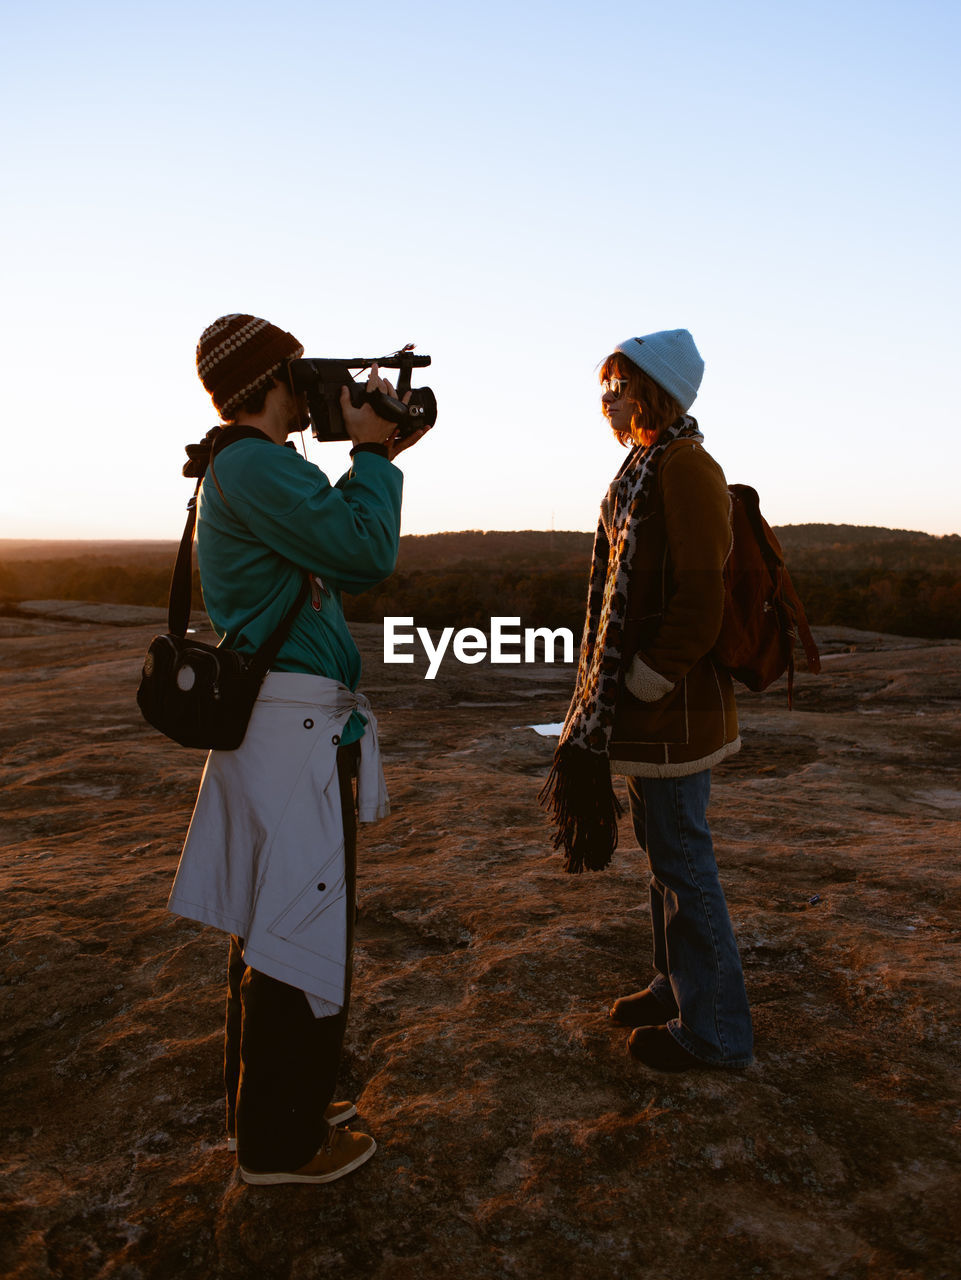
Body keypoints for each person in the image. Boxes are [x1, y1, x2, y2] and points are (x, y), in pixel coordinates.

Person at [166, 313, 428, 1183]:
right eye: (301, 375)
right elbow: (363, 552)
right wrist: (377, 456)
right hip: (292, 733)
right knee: (295, 922)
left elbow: (332, 541)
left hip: (291, 727)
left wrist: (374, 452)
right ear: (273, 378)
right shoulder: (254, 464)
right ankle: (284, 1142)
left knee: (275, 920)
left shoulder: (247, 465)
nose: (314, 391)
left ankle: (280, 1105)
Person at [542, 328, 753, 1072]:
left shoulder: (687, 469)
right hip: (642, 708)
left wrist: (644, 680)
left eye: (615, 388)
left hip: (671, 705)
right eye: (602, 389)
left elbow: (701, 594)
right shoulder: (644, 464)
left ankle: (718, 1033)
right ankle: (676, 986)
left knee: (683, 858)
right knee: (664, 856)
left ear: (652, 392)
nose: (605, 403)